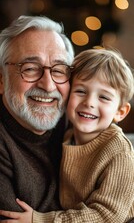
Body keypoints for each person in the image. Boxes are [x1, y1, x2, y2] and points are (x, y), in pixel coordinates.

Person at [1, 48, 134, 223]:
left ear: (120, 111)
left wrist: (42, 220)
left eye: (104, 97)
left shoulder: (117, 150)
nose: (89, 103)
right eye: (81, 91)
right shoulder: (67, 135)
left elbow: (107, 215)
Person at [0, 15, 74, 217]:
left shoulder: (81, 125)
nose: (48, 85)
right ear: (1, 79)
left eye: (59, 70)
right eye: (31, 69)